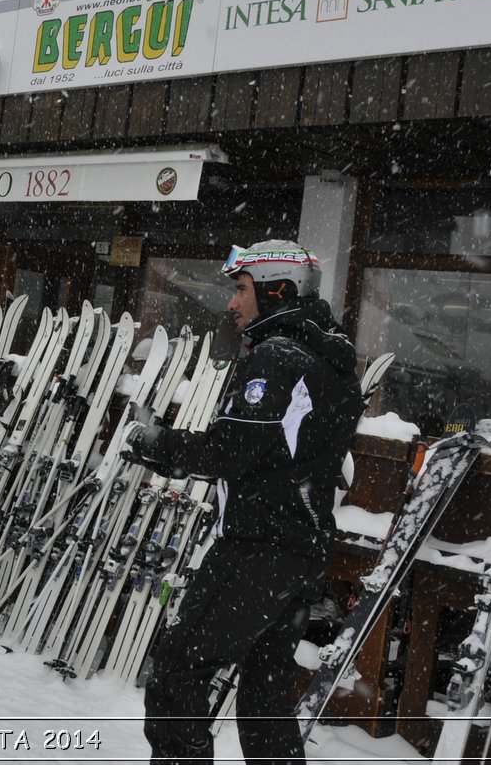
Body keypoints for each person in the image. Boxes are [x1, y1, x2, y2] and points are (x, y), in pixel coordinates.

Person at [123, 240, 365, 765]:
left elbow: (229, 450)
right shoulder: (333, 362)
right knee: (265, 695)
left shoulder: (277, 357)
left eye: (241, 289)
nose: (232, 303)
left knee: (175, 672)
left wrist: (155, 442)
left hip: (258, 549)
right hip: (299, 550)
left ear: (278, 290)